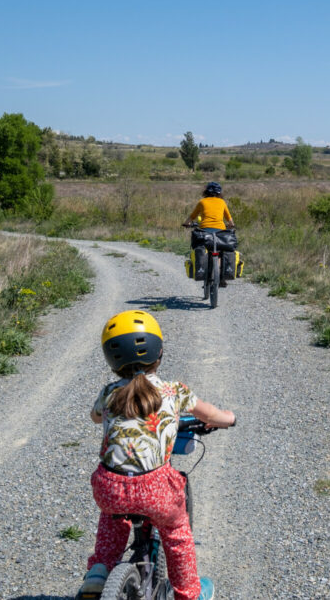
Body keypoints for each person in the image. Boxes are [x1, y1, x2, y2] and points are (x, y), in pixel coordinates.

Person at [79, 310, 236, 600]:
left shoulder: (109, 393)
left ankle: (99, 571)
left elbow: (94, 417)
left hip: (109, 486)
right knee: (177, 534)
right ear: (159, 352)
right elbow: (210, 414)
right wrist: (227, 417)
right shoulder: (174, 391)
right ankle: (190, 593)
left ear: (111, 361)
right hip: (155, 490)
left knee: (113, 518)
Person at [182, 181, 236, 286]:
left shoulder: (202, 202)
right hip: (220, 232)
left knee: (204, 250)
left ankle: (205, 271)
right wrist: (231, 225)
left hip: (205, 232)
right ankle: (220, 276)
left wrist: (186, 224)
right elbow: (229, 219)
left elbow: (192, 216)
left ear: (206, 191)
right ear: (219, 193)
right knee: (220, 251)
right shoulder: (222, 202)